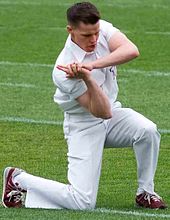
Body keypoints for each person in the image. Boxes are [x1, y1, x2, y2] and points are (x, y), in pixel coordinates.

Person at [2, 2, 167, 210]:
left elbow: (132, 50)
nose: (94, 39)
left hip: (113, 114)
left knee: (147, 130)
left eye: (96, 33)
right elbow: (101, 111)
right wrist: (87, 78)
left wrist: (92, 65)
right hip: (83, 124)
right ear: (70, 31)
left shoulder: (100, 28)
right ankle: (18, 179)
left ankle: (145, 192)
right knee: (83, 202)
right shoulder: (63, 70)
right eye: (87, 36)